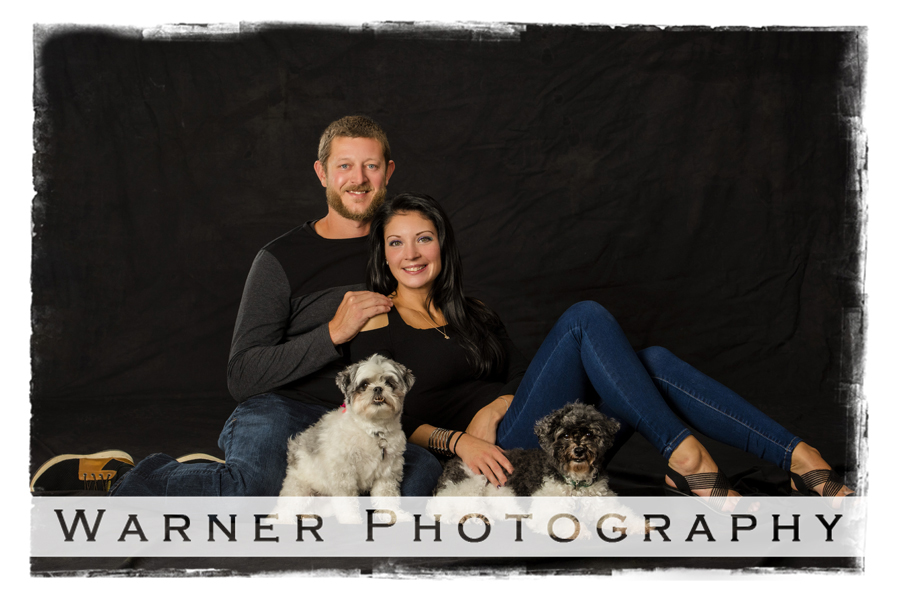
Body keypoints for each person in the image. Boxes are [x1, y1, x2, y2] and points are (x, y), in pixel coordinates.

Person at [344, 192, 855, 504]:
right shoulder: (376, 322)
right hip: (494, 463)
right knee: (584, 318)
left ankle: (795, 455)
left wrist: (497, 406)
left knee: (651, 362)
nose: (411, 254)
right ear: (383, 253)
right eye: (396, 242)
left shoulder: (472, 311)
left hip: (543, 435)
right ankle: (685, 453)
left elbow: (521, 375)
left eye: (424, 238)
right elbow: (377, 419)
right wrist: (462, 441)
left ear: (442, 246)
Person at [30, 116, 444, 497]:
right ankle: (128, 476)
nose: (358, 179)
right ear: (321, 173)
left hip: (364, 420)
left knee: (415, 488)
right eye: (344, 166)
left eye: (370, 166)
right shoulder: (280, 259)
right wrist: (332, 332)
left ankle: (217, 477)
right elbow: (242, 374)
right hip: (282, 408)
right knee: (254, 488)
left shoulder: (404, 249)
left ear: (388, 172)